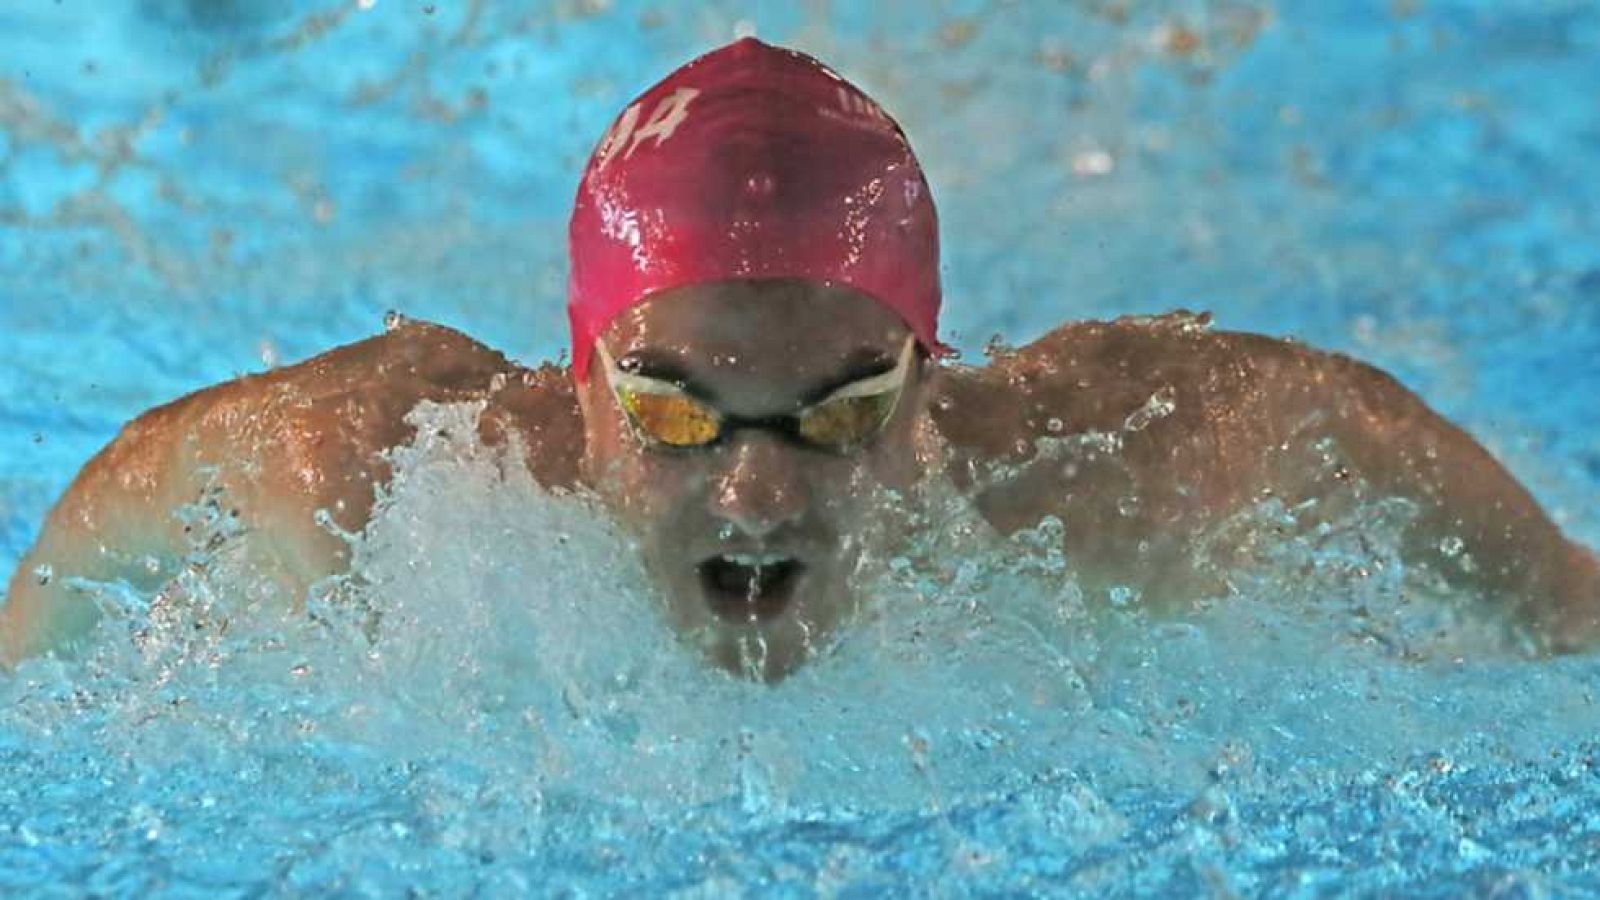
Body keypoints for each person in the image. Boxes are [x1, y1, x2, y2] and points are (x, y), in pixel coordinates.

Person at [2, 38, 1595, 680]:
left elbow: (1552, 603)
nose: (755, 483)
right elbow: (57, 601)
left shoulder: (1138, 477)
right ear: (575, 384)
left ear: (932, 379)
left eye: (837, 409)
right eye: (672, 406)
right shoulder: (364, 481)